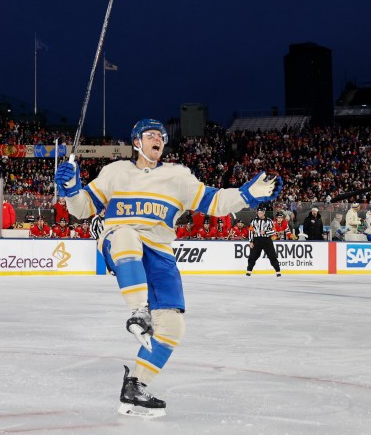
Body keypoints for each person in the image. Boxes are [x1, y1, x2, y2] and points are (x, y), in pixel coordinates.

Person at [54, 118, 281, 418]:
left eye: (160, 135)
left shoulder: (178, 176)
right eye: (150, 135)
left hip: (160, 252)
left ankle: (135, 386)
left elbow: (213, 201)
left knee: (173, 326)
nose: (157, 139)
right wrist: (71, 188)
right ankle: (138, 311)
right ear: (136, 142)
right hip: (121, 240)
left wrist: (246, 195)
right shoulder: (115, 172)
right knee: (125, 235)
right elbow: (82, 209)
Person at [246, 207, 282, 277]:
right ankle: (249, 271)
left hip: (267, 240)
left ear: (264, 213)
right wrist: (251, 241)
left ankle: (278, 271)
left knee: (272, 256)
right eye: (258, 213)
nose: (259, 214)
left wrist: (265, 232)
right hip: (257, 240)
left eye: (261, 213)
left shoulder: (269, 221)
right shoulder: (254, 221)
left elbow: (274, 231)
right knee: (252, 256)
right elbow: (251, 231)